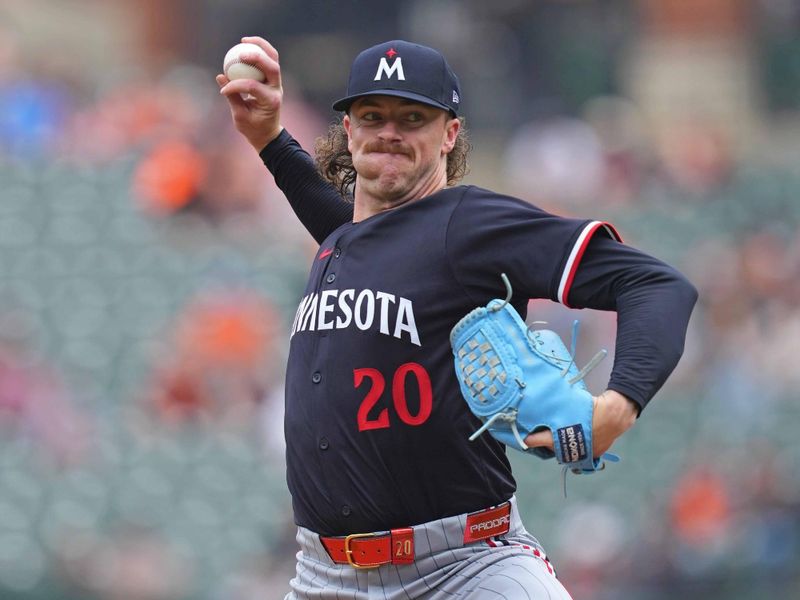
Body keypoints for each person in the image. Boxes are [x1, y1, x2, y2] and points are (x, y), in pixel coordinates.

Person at [217, 37, 697, 599]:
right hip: (325, 578)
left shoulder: (466, 224)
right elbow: (334, 214)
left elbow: (657, 284)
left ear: (449, 134)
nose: (389, 131)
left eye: (412, 117)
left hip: (464, 569)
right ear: (348, 130)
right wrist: (270, 139)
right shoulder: (348, 240)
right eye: (372, 115)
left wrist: (617, 405)